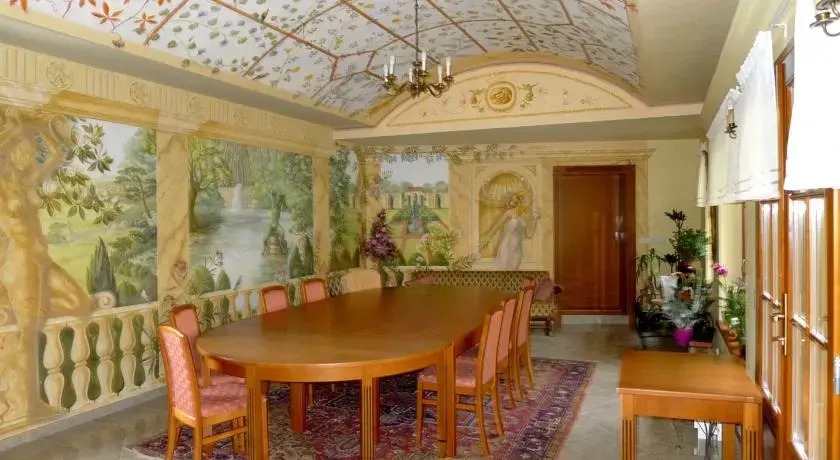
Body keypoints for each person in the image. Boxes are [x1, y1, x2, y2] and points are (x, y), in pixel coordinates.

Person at [482, 192, 539, 269]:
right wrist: (488, 237)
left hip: (518, 250)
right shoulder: (508, 213)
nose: (514, 201)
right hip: (507, 247)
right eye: (512, 199)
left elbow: (528, 236)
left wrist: (535, 221)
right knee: (506, 269)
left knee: (514, 269)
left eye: (516, 199)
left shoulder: (523, 217)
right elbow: (497, 226)